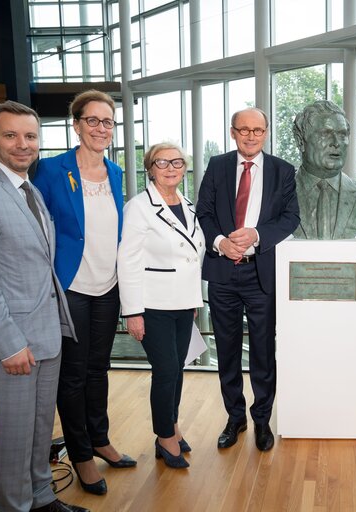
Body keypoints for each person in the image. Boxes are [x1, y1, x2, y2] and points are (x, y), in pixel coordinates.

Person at [0, 100, 88, 512]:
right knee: (13, 436)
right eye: (10, 135)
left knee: (39, 429)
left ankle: (42, 497)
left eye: (30, 136)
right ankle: (14, 506)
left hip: (46, 333)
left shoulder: (29, 190)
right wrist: (9, 343)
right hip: (11, 341)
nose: (22, 144)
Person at [33, 90, 134, 496]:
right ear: (76, 125)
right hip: (71, 286)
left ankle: (100, 437)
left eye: (107, 121)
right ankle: (80, 455)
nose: (100, 128)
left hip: (107, 286)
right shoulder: (52, 169)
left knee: (98, 368)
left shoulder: (116, 172)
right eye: (92, 120)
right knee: (72, 376)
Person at [196, 107, 299, 452]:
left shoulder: (283, 170)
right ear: (232, 132)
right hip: (223, 273)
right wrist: (220, 243)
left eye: (257, 130)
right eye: (244, 130)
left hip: (261, 274)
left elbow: (290, 217)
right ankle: (234, 417)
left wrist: (256, 234)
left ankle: (262, 419)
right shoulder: (217, 165)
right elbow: (205, 212)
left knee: (262, 352)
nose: (251, 135)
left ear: (266, 132)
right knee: (226, 350)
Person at [118, 143, 205, 469]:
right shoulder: (139, 207)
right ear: (150, 168)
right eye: (162, 162)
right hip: (151, 305)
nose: (171, 167)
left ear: (184, 167)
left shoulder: (188, 204)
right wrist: (132, 312)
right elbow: (127, 261)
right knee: (166, 370)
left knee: (177, 369)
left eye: (177, 162)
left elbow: (191, 255)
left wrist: (192, 299)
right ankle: (164, 436)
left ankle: (172, 424)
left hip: (183, 303)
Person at [292, 100, 356, 239]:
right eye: (325, 134)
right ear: (300, 141)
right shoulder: (278, 195)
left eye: (342, 135)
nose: (336, 142)